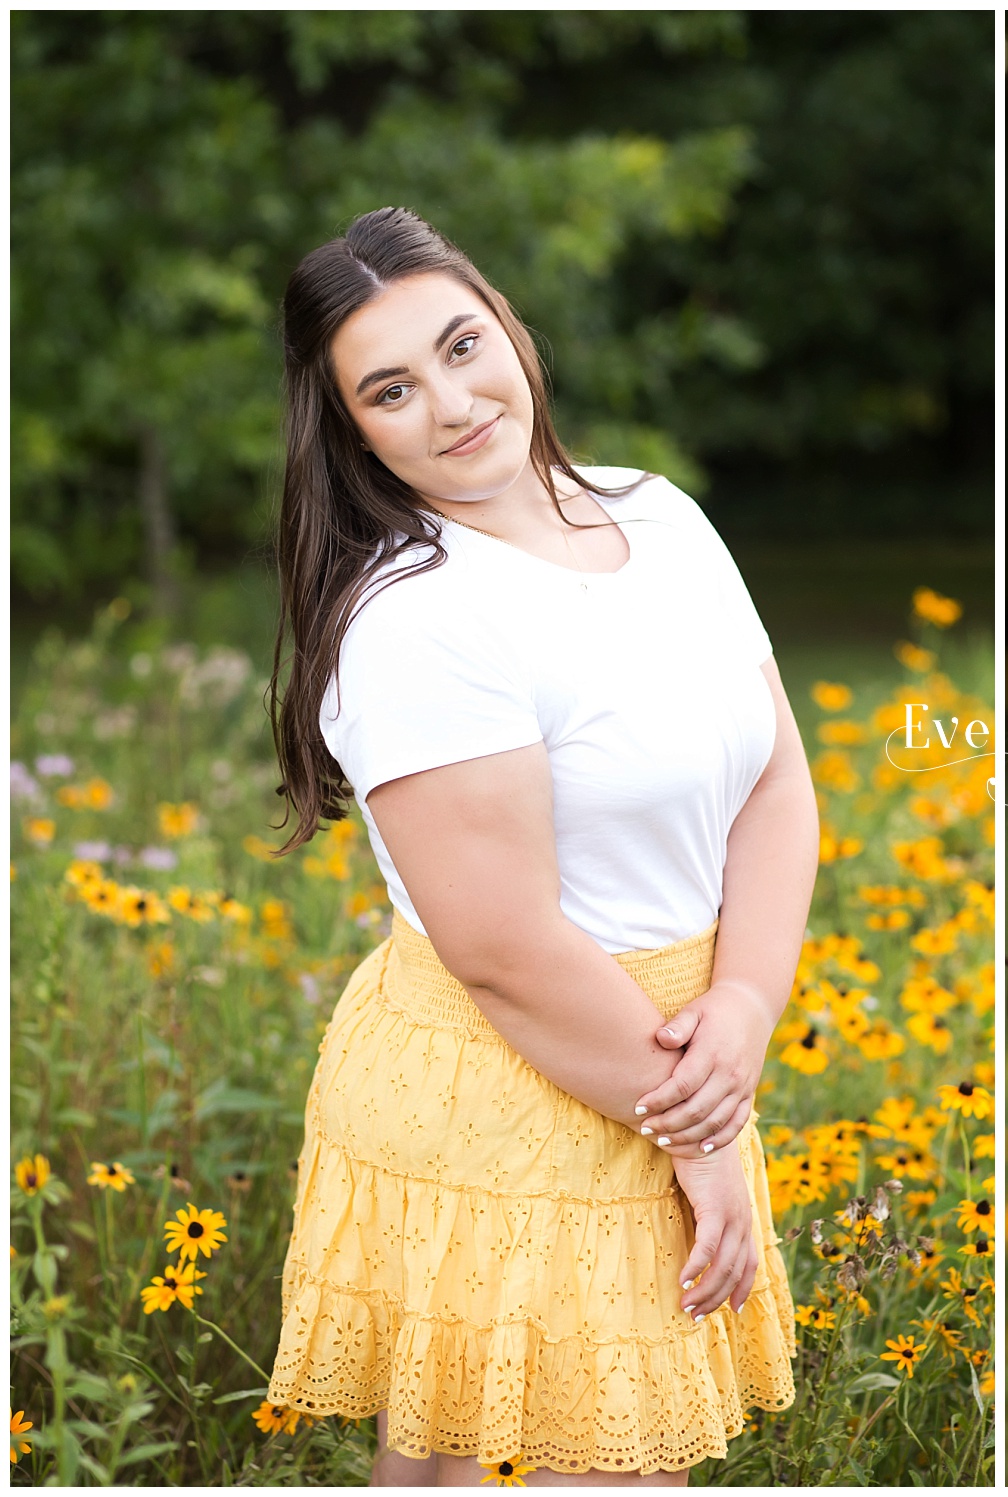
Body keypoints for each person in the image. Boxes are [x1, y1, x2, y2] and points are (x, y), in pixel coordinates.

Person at [261, 207, 817, 1485]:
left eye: (463, 345)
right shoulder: (418, 617)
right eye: (392, 390)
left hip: (672, 1062)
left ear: (508, 324)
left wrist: (742, 1003)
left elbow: (776, 784)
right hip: (512, 1086)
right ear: (353, 432)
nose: (453, 402)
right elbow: (505, 949)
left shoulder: (658, 516)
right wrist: (705, 1131)